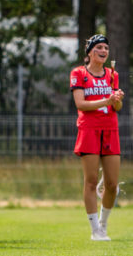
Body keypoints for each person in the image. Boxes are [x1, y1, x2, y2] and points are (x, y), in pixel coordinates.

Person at [70, 34, 123, 241]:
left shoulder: (112, 74)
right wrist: (106, 100)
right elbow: (80, 104)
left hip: (110, 130)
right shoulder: (78, 73)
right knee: (91, 181)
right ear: (90, 51)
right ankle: (94, 230)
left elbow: (116, 107)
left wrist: (116, 100)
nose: (104, 51)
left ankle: (103, 224)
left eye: (106, 48)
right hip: (89, 130)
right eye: (99, 47)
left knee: (112, 184)